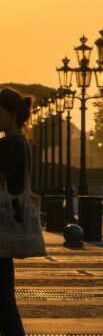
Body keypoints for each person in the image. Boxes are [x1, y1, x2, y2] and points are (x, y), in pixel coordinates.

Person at [0, 87, 33, 336]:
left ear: (10, 114)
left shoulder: (12, 145)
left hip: (2, 225)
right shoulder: (16, 143)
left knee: (4, 301)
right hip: (4, 226)